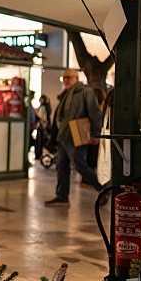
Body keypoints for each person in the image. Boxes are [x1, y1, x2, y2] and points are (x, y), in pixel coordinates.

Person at [46, 70, 104, 205]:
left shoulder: (85, 91)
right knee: (61, 166)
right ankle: (62, 195)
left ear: (76, 78)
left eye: (69, 77)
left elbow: (95, 113)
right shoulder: (65, 94)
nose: (66, 80)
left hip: (76, 135)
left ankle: (103, 189)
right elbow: (58, 117)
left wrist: (96, 134)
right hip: (63, 136)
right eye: (64, 78)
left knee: (80, 165)